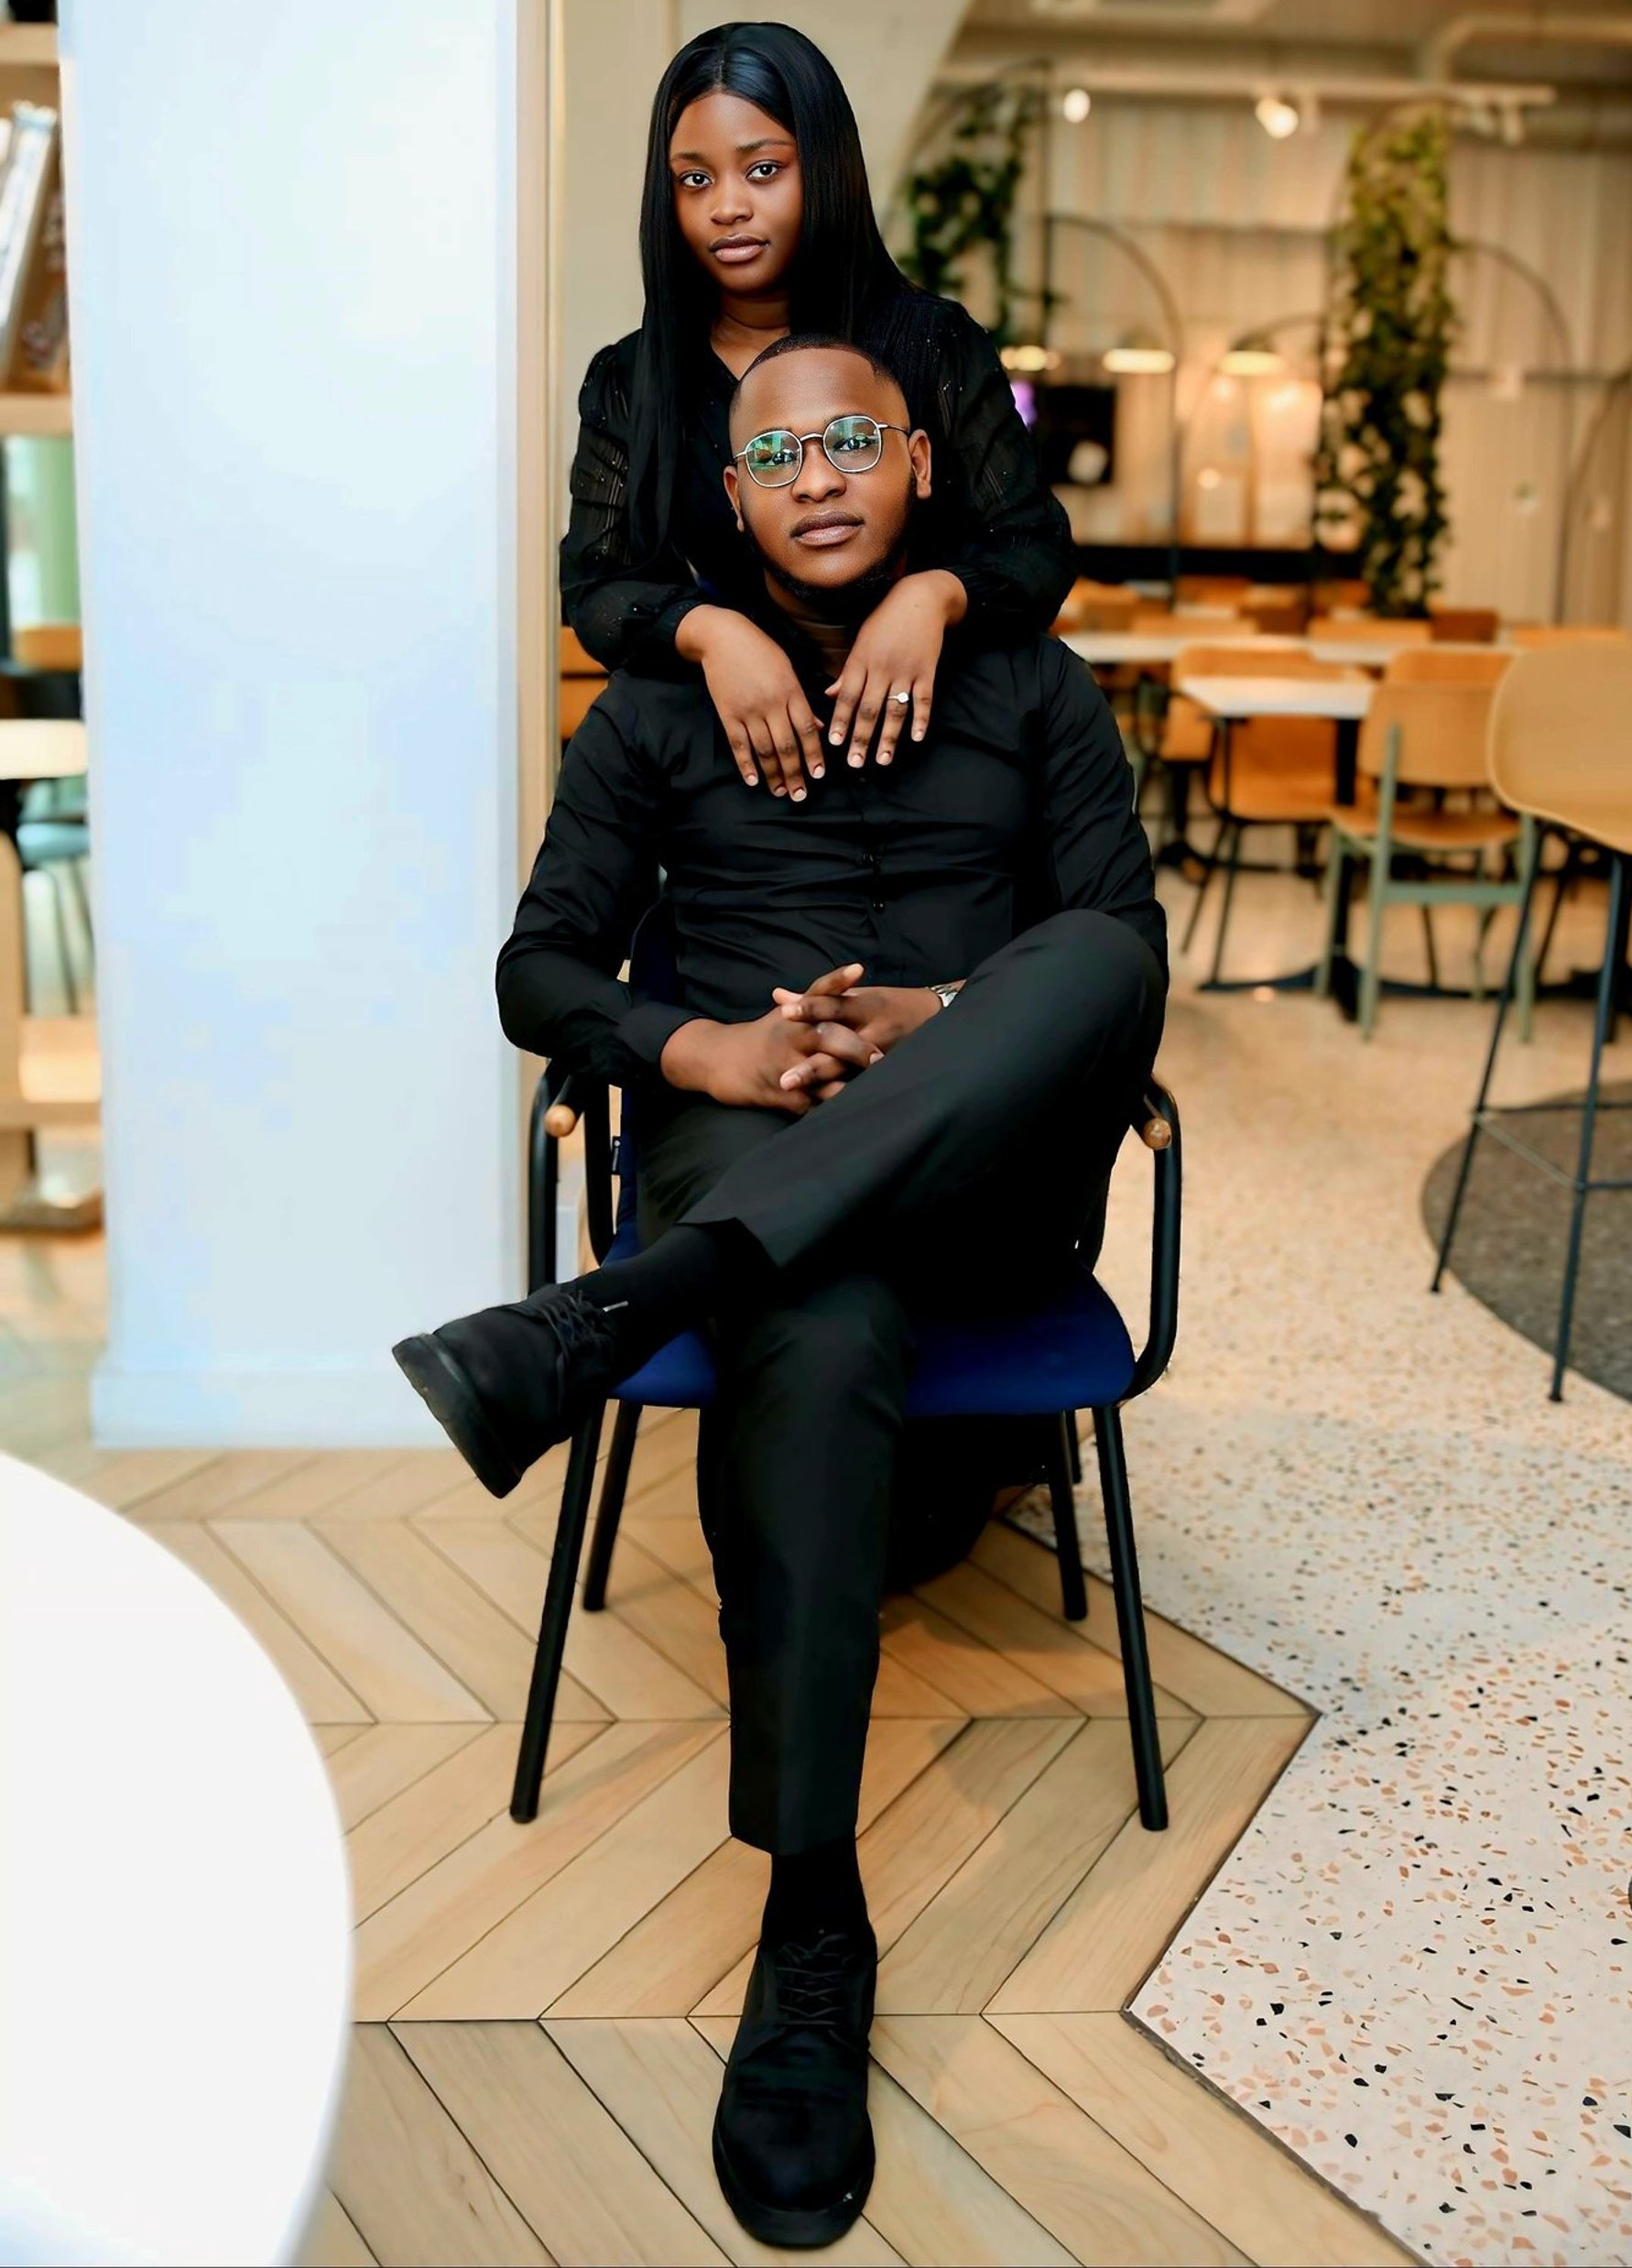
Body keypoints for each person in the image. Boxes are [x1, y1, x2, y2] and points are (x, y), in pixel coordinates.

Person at [396, 336, 1167, 2252]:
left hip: (988, 1180)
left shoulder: (1036, 682)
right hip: (754, 1146)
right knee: (813, 1326)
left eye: (851, 440)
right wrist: (708, 1053)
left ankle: (627, 1304)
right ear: (728, 496)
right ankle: (812, 1918)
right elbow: (539, 970)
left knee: (1091, 960)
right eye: (775, 454)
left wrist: (947, 1021)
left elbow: (1125, 963)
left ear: (920, 463)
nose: (817, 476)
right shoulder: (657, 712)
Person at [562, 19, 1075, 801]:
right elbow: (594, 589)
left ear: (827, 166)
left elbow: (1036, 551)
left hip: (939, 756)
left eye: (763, 169)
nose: (727, 207)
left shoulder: (932, 346)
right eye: (694, 180)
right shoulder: (632, 380)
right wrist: (712, 635)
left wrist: (931, 597)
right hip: (734, 772)